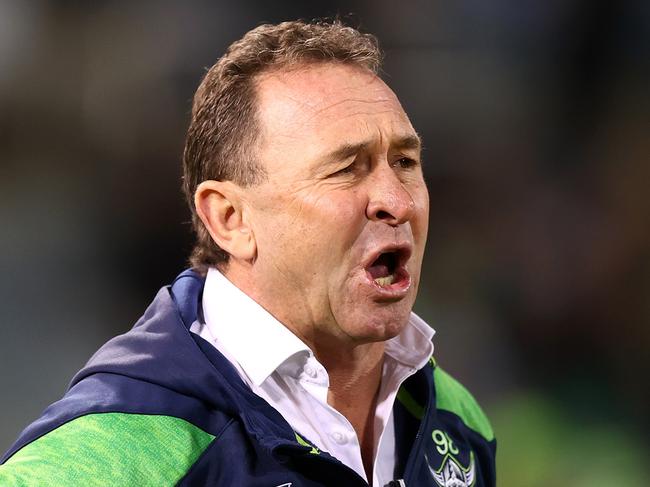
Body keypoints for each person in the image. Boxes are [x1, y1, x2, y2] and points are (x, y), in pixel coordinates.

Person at [0, 20, 496, 486]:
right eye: (347, 168)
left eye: (405, 162)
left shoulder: (457, 422)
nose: (397, 200)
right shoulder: (115, 453)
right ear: (230, 219)